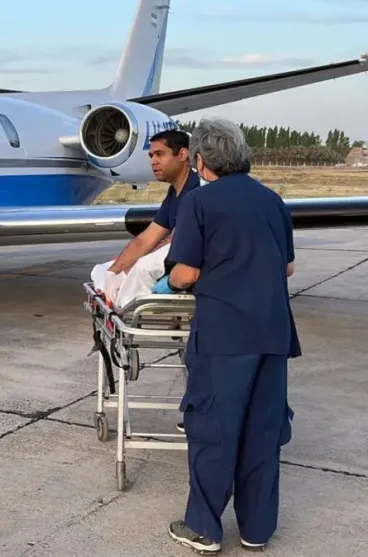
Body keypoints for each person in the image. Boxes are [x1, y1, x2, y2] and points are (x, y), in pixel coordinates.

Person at [155, 118, 300, 554]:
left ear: (199, 159)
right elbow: (288, 266)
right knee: (263, 430)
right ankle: (257, 529)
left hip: (225, 335)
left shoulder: (200, 202)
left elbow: (186, 272)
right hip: (273, 332)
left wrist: (169, 282)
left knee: (214, 430)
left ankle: (203, 527)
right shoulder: (273, 200)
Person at [90, 128, 199, 306]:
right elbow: (146, 239)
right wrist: (114, 271)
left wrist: (132, 266)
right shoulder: (175, 192)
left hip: (188, 265)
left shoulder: (196, 191)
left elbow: (176, 242)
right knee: (103, 270)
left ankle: (119, 305)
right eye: (151, 156)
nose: (153, 162)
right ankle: (111, 296)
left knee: (140, 268)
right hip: (173, 259)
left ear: (183, 154)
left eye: (160, 154)